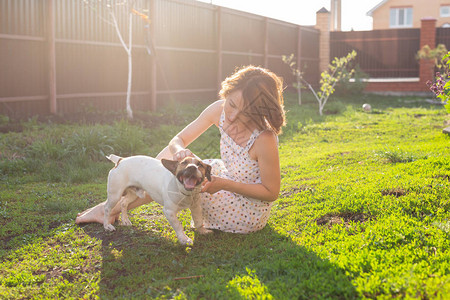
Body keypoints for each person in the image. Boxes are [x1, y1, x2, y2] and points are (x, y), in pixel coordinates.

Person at [76, 65, 286, 233]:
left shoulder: (264, 138)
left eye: (244, 113)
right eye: (231, 104)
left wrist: (224, 184)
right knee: (172, 160)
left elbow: (271, 192)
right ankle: (111, 208)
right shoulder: (219, 109)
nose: (231, 116)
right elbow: (179, 138)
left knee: (178, 177)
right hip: (226, 179)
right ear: (227, 94)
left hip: (244, 209)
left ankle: (108, 210)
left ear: (259, 111)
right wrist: (178, 150)